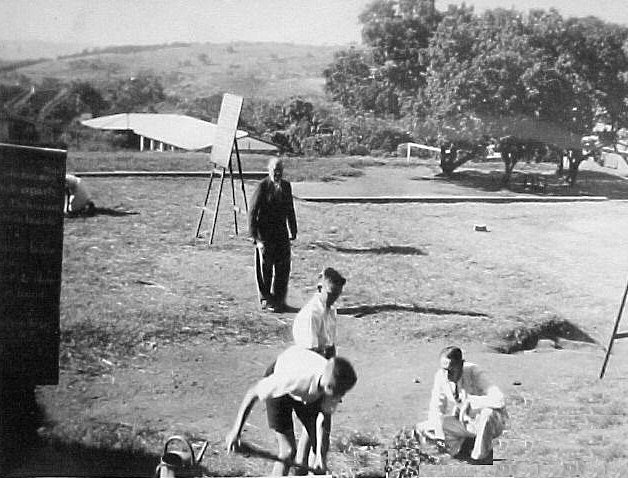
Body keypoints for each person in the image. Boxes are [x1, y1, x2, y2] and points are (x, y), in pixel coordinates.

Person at [225, 346, 357, 476]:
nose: (340, 396)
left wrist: (320, 457)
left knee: (317, 450)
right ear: (329, 387)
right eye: (339, 393)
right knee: (287, 452)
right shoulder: (293, 379)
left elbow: (323, 418)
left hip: (308, 393)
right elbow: (252, 392)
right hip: (283, 385)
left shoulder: (332, 382)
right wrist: (236, 432)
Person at [291, 267, 347, 468]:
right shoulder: (311, 315)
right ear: (320, 288)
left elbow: (330, 347)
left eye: (337, 295)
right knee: (317, 422)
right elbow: (311, 355)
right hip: (307, 371)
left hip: (323, 369)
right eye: (331, 294)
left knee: (320, 421)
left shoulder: (330, 311)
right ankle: (311, 464)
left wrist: (336, 379)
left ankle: (309, 464)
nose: (334, 299)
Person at [415, 346, 506, 464]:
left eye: (451, 370)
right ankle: (463, 448)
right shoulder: (440, 376)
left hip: (489, 423)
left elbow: (499, 399)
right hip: (465, 423)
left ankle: (479, 458)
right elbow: (436, 409)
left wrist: (471, 401)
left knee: (487, 413)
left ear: (461, 364)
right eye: (444, 369)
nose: (447, 375)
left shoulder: (474, 372)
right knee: (423, 428)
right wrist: (439, 436)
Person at [249, 158, 297, 312]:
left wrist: (293, 230)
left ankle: (279, 300)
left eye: (280, 171)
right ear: (269, 170)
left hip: (281, 234)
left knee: (283, 268)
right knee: (266, 269)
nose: (277, 174)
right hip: (265, 235)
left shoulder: (286, 186)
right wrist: (256, 238)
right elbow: (253, 212)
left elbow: (290, 209)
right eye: (275, 171)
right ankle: (266, 300)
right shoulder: (263, 187)